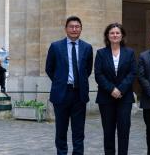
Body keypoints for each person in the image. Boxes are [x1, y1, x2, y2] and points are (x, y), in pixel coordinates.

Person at [45, 16, 93, 155]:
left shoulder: (87, 47)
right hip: (61, 94)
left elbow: (87, 70)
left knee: (79, 131)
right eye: (71, 26)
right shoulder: (55, 46)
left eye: (77, 26)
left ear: (81, 29)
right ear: (66, 29)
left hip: (79, 94)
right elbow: (49, 68)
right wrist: (60, 82)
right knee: (61, 130)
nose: (74, 29)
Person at [94, 23, 136, 155]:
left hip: (125, 98)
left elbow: (132, 73)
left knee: (124, 131)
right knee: (108, 131)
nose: (115, 35)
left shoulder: (130, 53)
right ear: (107, 35)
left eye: (117, 33)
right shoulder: (101, 53)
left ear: (122, 35)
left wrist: (121, 89)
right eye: (112, 33)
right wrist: (112, 89)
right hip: (106, 98)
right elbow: (98, 74)